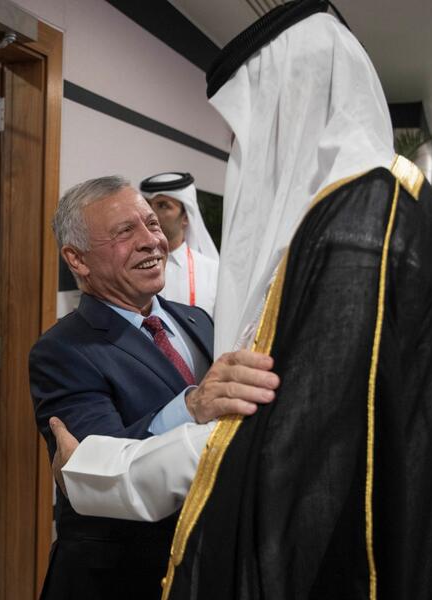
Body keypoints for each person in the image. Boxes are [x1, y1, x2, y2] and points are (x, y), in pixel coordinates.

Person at [52, 2, 432, 598]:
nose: (238, 147)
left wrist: (98, 472)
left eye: (243, 127)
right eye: (123, 232)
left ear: (288, 107)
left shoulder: (353, 230)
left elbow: (284, 441)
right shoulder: (395, 206)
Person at [30, 175, 279, 600]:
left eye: (152, 224)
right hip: (120, 578)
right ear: (78, 259)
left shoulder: (197, 320)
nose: (152, 241)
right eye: (125, 232)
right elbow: (98, 466)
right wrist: (192, 407)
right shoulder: (61, 351)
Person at [140, 172, 219, 314]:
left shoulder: (213, 273)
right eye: (147, 204)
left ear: (186, 218)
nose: (150, 213)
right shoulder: (129, 266)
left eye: (163, 205)